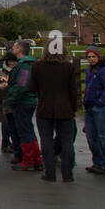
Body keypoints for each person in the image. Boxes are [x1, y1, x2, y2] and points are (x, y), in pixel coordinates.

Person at [27, 43, 80, 182]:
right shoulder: (68, 67)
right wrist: (74, 108)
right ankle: (68, 174)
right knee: (67, 142)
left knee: (46, 141)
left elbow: (31, 87)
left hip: (45, 107)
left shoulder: (37, 67)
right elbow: (73, 90)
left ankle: (50, 173)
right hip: (65, 108)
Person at [5, 40, 42, 171]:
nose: (12, 49)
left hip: (23, 102)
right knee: (28, 130)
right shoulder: (27, 64)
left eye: (14, 47)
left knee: (24, 131)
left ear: (19, 49)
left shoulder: (24, 65)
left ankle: (29, 160)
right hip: (27, 100)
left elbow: (22, 85)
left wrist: (12, 97)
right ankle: (36, 158)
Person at [82, 46, 105, 175]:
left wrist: (101, 102)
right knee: (91, 137)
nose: (91, 59)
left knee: (104, 136)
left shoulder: (103, 71)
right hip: (89, 107)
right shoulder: (89, 71)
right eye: (89, 57)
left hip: (100, 107)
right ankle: (98, 162)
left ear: (98, 57)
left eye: (93, 57)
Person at [0, 50, 18, 155]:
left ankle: (12, 143)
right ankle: (6, 143)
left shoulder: (18, 70)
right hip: (5, 99)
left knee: (12, 123)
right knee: (6, 122)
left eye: (14, 61)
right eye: (11, 61)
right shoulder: (2, 71)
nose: (13, 63)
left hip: (13, 98)